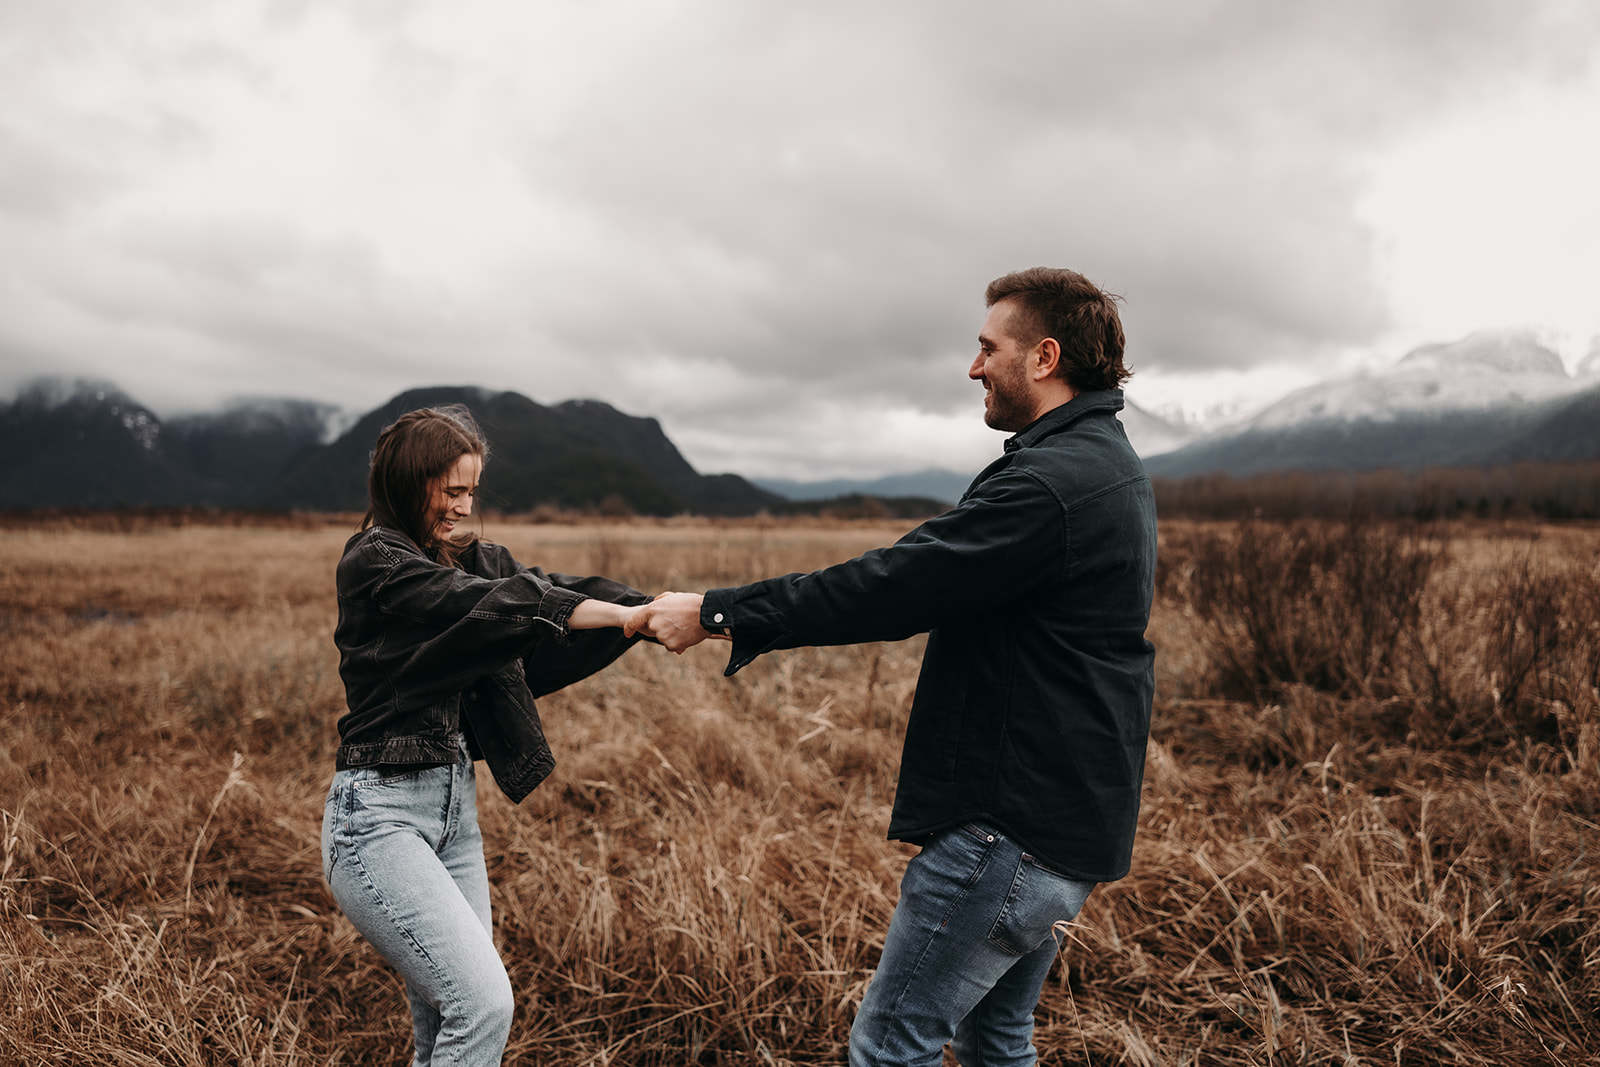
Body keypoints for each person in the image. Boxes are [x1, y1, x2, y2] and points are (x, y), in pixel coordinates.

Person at [630, 267, 1158, 1067]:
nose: (974, 366)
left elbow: (893, 585)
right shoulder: (1104, 463)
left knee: (891, 1045)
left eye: (988, 348)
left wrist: (717, 611)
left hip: (1008, 831)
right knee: (996, 1038)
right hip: (1064, 823)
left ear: (1044, 357)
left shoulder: (1053, 484)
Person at [323, 404, 650, 1067]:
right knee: (482, 1004)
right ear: (410, 481)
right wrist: (622, 613)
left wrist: (648, 610)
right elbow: (497, 606)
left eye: (472, 491)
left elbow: (547, 594)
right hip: (378, 820)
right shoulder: (377, 562)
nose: (465, 507)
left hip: (453, 817)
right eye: (452, 492)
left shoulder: (471, 562)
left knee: (444, 1022)